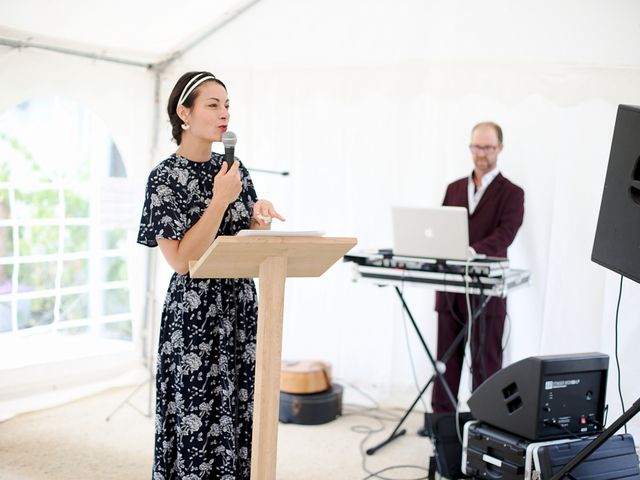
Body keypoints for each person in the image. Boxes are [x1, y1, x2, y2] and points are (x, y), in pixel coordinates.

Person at [137, 71, 285, 479]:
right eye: (213, 105)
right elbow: (182, 260)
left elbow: (248, 247)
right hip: (194, 316)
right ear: (184, 113)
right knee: (197, 419)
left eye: (227, 105)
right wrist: (219, 202)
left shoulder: (235, 169)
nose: (224, 114)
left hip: (239, 306)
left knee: (238, 412)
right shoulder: (164, 178)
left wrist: (259, 219)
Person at [431, 121, 524, 413]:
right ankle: (441, 427)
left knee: (486, 366)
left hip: (487, 292)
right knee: (445, 363)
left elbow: (505, 234)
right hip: (451, 290)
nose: (481, 153)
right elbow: (443, 230)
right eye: (476, 146)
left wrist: (471, 251)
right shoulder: (454, 188)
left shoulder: (512, 193)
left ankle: (484, 427)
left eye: (487, 147)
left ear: (500, 148)